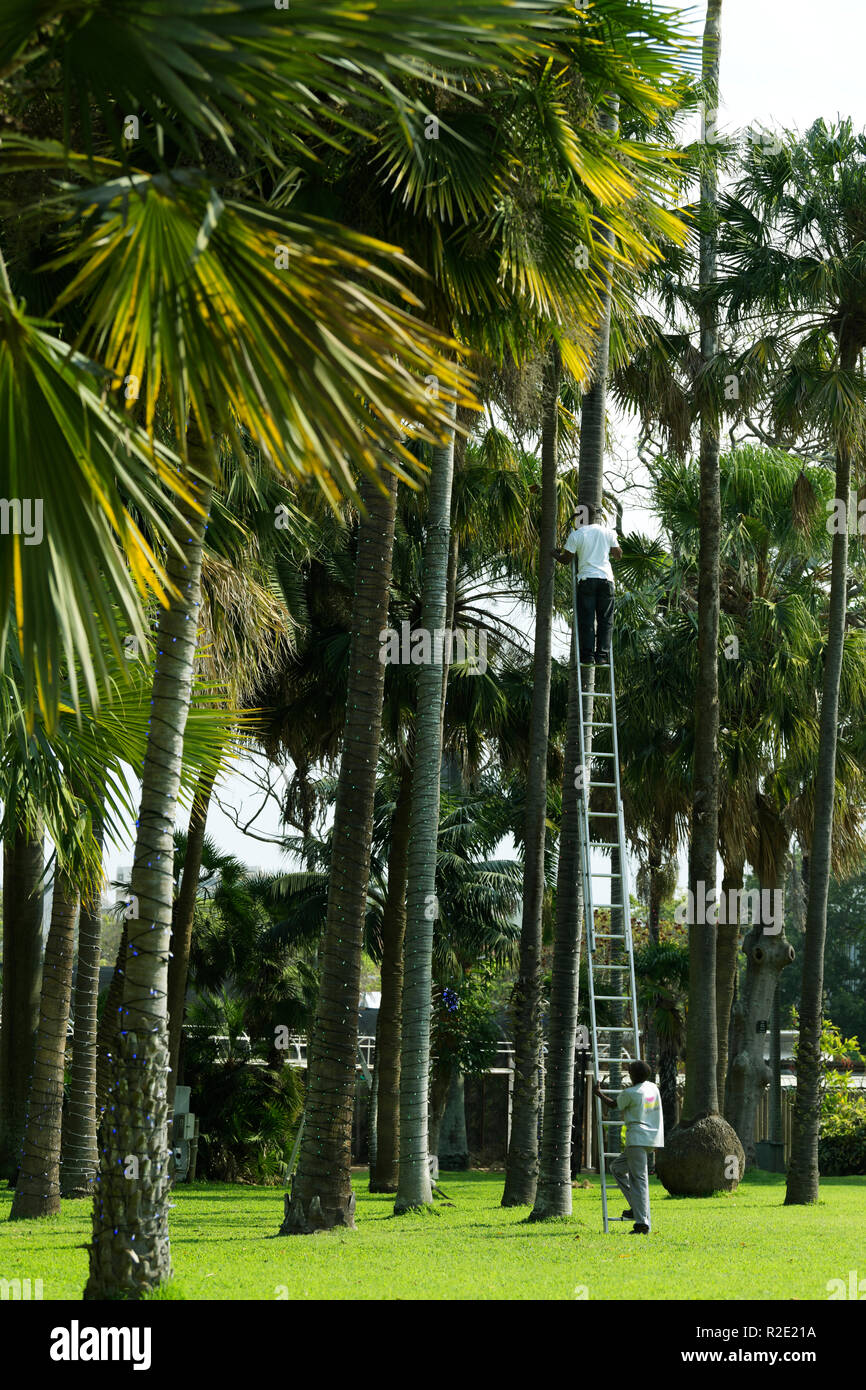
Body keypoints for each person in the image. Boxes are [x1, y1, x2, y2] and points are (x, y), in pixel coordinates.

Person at [592, 1059, 664, 1235]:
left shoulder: (630, 1092)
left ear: (632, 1075)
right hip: (652, 1138)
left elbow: (613, 1105)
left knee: (639, 1180)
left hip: (637, 1139)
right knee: (616, 1168)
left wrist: (599, 1093)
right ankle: (636, 1207)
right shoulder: (652, 1088)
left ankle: (642, 1224)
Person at [553, 507, 621, 666]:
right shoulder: (608, 533)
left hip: (587, 580)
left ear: (581, 518)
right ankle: (602, 656)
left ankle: (588, 656)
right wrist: (606, 549)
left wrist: (554, 554)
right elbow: (618, 555)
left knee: (587, 620)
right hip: (606, 580)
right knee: (606, 620)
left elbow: (565, 560)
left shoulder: (577, 535)